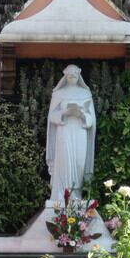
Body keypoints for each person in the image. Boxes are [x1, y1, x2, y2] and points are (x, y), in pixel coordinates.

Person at [45, 64, 96, 202]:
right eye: (69, 75)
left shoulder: (85, 93)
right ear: (65, 77)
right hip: (64, 132)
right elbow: (51, 117)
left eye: (74, 75)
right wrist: (63, 113)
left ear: (79, 76)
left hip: (80, 132)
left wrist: (83, 115)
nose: (72, 77)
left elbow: (92, 120)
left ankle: (76, 194)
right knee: (64, 162)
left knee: (79, 162)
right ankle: (62, 195)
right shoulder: (59, 93)